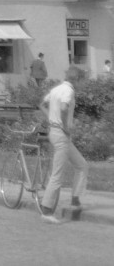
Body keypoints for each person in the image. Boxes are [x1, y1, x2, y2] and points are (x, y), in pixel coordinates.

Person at [39, 65, 89, 223]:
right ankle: (46, 210)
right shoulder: (69, 91)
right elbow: (64, 107)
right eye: (83, 81)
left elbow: (42, 104)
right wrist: (65, 126)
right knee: (57, 174)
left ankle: (75, 200)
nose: (83, 84)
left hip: (56, 132)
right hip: (61, 135)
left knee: (82, 165)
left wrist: (51, 119)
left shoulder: (56, 89)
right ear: (77, 79)